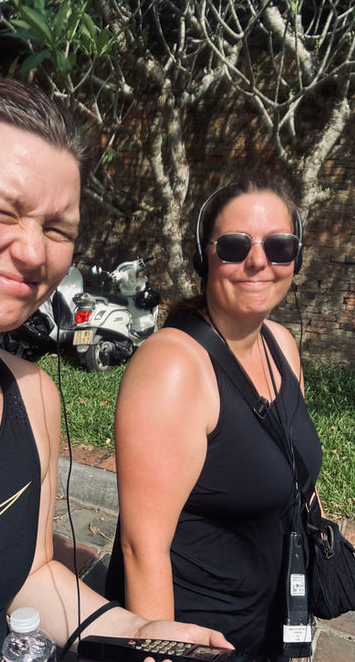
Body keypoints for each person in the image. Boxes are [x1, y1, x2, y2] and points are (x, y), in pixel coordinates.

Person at [0, 78, 232, 661]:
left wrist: (139, 630)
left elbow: (32, 576)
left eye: (58, 230)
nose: (34, 253)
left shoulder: (34, 395)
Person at [105, 178, 323, 661]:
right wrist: (165, 652)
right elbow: (142, 548)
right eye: (235, 246)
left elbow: (295, 470)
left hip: (275, 620)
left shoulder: (281, 345)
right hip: (205, 639)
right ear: (204, 258)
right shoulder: (173, 367)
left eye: (279, 246)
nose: (259, 261)